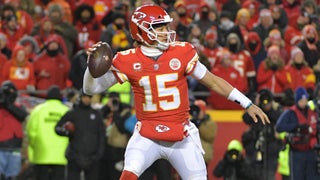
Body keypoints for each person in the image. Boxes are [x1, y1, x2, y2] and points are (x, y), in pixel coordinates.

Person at [83, 4, 269, 179]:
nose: (166, 32)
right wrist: (91, 68)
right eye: (159, 28)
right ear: (141, 31)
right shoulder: (127, 59)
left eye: (165, 27)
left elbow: (213, 81)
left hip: (181, 135)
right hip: (147, 135)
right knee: (128, 175)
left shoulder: (181, 52)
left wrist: (247, 103)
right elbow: (90, 89)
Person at [55, 90, 105, 180]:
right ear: (80, 98)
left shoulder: (96, 114)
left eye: (89, 97)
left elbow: (101, 135)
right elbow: (57, 128)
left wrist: (99, 154)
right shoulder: (72, 113)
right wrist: (68, 132)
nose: (87, 100)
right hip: (75, 156)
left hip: (92, 157)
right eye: (85, 97)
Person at [275, 87, 320, 180]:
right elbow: (279, 127)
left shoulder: (312, 111)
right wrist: (296, 127)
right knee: (297, 177)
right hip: (297, 152)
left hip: (311, 151)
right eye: (301, 100)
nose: (304, 102)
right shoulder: (290, 113)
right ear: (297, 100)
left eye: (305, 100)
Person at [26, 85, 69, 180]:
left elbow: (31, 132)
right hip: (61, 156)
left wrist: (34, 146)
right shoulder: (66, 111)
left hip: (41, 154)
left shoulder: (38, 110)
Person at [242, 89, 283, 180]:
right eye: (263, 100)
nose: (265, 103)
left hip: (271, 150)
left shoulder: (276, 110)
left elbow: (280, 119)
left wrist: (271, 108)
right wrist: (255, 105)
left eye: (268, 100)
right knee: (252, 175)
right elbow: (245, 119)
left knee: (269, 176)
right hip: (254, 148)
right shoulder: (255, 110)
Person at [0, 81, 28, 179]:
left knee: (12, 176)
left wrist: (7, 104)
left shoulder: (19, 107)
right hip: (1, 147)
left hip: (15, 147)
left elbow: (22, 115)